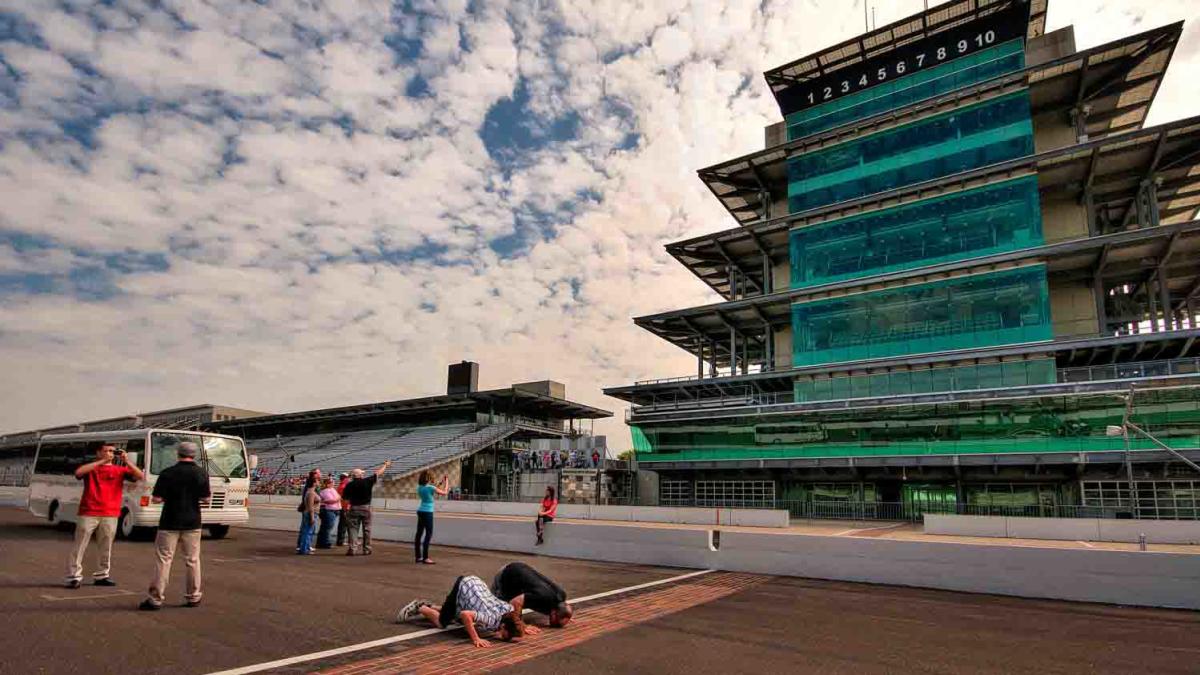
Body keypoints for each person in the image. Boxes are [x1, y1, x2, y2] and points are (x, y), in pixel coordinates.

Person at [139, 441, 210, 610]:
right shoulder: (201, 473)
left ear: (177, 453)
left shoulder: (167, 473)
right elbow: (206, 498)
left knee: (164, 560)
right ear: (194, 454)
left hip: (169, 520)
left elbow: (157, 498)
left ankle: (156, 598)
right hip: (193, 521)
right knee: (192, 560)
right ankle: (193, 596)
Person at [65, 441, 145, 589]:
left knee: (106, 545)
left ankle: (102, 575)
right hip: (89, 511)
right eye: (107, 451)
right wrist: (101, 461)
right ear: (99, 452)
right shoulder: (91, 468)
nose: (110, 454)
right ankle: (73, 576)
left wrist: (126, 461)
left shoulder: (119, 470)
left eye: (112, 451)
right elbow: (78, 473)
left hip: (110, 512)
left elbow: (140, 476)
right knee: (80, 544)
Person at [396, 575, 525, 648]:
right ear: (503, 626)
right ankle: (420, 607)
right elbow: (466, 615)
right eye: (506, 635)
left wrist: (522, 626)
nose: (505, 637)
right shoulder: (491, 619)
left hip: (475, 583)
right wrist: (476, 638)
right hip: (463, 587)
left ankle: (432, 606)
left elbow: (515, 610)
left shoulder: (509, 610)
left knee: (456, 617)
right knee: (442, 623)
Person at [491, 561, 573, 628]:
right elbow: (515, 602)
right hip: (506, 575)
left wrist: (566, 616)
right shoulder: (541, 597)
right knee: (495, 614)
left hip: (520, 570)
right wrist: (521, 625)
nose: (554, 625)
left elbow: (565, 609)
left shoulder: (561, 596)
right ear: (554, 613)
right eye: (556, 623)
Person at [342, 460, 391, 556]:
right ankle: (367, 549)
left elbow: (345, 499)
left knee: (353, 529)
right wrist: (385, 465)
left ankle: (353, 548)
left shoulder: (349, 485)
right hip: (366, 507)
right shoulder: (367, 481)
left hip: (354, 507)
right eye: (362, 473)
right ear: (360, 475)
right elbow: (378, 473)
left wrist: (345, 509)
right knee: (367, 529)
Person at [414, 471, 449, 564]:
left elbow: (432, 490)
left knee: (419, 534)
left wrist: (439, 484)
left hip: (420, 511)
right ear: (429, 478)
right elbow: (444, 492)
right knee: (428, 534)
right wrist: (447, 482)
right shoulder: (431, 488)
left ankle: (418, 557)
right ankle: (426, 558)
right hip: (428, 512)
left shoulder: (420, 488)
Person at [296, 469, 320, 555]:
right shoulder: (311, 493)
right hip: (310, 513)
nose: (318, 483)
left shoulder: (310, 492)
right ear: (313, 483)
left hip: (310, 512)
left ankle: (304, 548)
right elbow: (310, 507)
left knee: (307, 531)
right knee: (307, 532)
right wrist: (312, 517)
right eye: (317, 481)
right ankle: (304, 549)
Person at [316, 476, 341, 549]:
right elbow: (330, 500)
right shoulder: (325, 491)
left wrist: (338, 498)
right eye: (331, 482)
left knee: (326, 527)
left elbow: (337, 497)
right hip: (329, 510)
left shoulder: (332, 489)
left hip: (333, 509)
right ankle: (325, 543)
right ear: (327, 484)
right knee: (327, 527)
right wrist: (338, 498)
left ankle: (321, 542)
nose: (333, 483)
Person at [335, 472, 351, 546]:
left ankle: (342, 540)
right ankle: (341, 541)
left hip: (342, 507)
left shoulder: (341, 485)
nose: (349, 478)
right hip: (345, 507)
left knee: (344, 525)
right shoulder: (344, 486)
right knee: (344, 525)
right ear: (345, 478)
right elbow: (346, 498)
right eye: (348, 477)